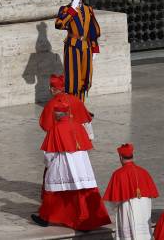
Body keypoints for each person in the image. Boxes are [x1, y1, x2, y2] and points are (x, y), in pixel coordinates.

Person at [32, 96, 111, 231]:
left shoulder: (55, 129)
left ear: (57, 115)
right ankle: (86, 221)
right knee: (82, 192)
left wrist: (48, 164)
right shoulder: (78, 126)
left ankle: (45, 218)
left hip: (63, 162)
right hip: (81, 163)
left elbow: (49, 153)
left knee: (52, 190)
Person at [55, 0, 101, 102]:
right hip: (72, 46)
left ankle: (80, 108)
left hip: (86, 47)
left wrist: (94, 48)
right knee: (73, 80)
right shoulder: (65, 10)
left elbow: (93, 30)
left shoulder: (88, 10)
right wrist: (72, 10)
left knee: (84, 79)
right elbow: (59, 24)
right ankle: (73, 107)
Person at [101, 143, 159, 239]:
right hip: (143, 209)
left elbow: (114, 201)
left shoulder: (118, 174)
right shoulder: (144, 172)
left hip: (126, 207)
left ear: (120, 157)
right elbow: (150, 196)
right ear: (132, 156)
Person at [40, 74, 95, 141]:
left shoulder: (50, 104)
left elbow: (46, 125)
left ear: (52, 89)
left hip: (62, 140)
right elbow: (86, 120)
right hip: (80, 139)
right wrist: (90, 136)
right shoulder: (76, 100)